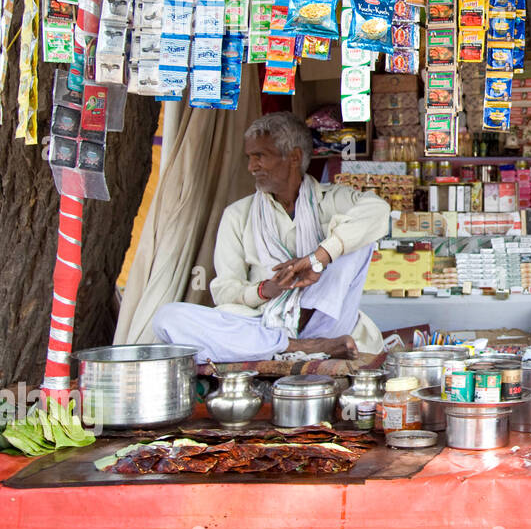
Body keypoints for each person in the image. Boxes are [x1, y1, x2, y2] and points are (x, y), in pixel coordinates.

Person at [154, 112, 390, 363]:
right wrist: (266, 290)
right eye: (250, 157)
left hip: (327, 320)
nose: (251, 167)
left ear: (294, 157)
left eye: (260, 156)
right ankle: (299, 346)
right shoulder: (237, 215)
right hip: (263, 322)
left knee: (356, 237)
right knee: (166, 318)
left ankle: (290, 341)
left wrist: (317, 258)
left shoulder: (332, 201)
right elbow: (225, 290)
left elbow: (379, 211)